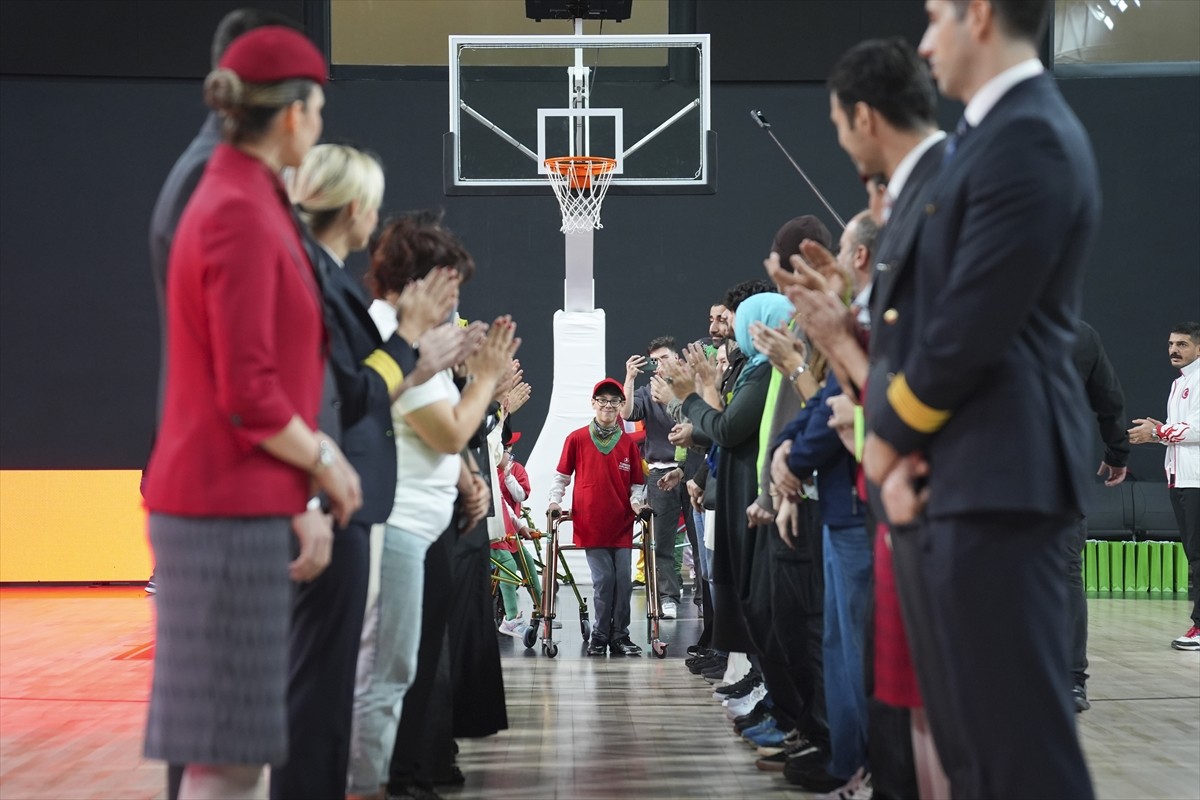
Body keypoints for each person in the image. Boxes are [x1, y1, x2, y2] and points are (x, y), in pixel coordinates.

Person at [863, 2, 1100, 796]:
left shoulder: (1027, 136)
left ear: (982, 15)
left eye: (936, 18)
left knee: (1020, 756)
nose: (925, 42)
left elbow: (966, 329)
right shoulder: (988, 137)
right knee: (974, 754)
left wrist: (883, 441)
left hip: (1003, 476)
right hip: (967, 470)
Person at [141, 26, 363, 800]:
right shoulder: (235, 203)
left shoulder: (249, 193)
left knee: (232, 754)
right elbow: (250, 391)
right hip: (219, 505)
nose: (323, 123)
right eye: (319, 107)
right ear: (294, 113)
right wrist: (326, 463)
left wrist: (299, 490)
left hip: (239, 500)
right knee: (225, 756)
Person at [272, 145, 463, 799]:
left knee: (348, 679)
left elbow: (358, 392)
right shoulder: (317, 286)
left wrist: (415, 356)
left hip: (361, 505)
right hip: (344, 504)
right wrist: (414, 349)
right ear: (355, 209)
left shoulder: (326, 284)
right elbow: (348, 397)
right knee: (348, 680)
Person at [348, 213, 516, 800]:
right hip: (400, 524)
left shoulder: (413, 340)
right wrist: (486, 381)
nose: (455, 302)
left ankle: (408, 773)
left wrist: (468, 474)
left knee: (410, 666)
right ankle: (382, 781)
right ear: (418, 282)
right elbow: (445, 430)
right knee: (390, 670)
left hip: (427, 520)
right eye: (449, 287)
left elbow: (443, 436)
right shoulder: (390, 336)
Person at [548, 378, 649, 657]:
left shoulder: (628, 444)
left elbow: (637, 485)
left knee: (624, 582)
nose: (608, 406)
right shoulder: (577, 438)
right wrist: (554, 501)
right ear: (593, 403)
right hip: (591, 522)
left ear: (621, 405)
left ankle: (620, 635)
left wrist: (637, 503)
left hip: (622, 523)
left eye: (614, 401)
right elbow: (562, 477)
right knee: (604, 580)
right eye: (602, 400)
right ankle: (600, 635)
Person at [1069, 319, 1129, 712]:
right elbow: (1109, 399)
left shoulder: (983, 322)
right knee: (1065, 573)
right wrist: (1117, 452)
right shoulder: (1082, 334)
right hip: (1063, 469)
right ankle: (1072, 682)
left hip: (994, 472)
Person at [1129, 321, 1200, 651]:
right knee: (1194, 554)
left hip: (1197, 481)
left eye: (1183, 344)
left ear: (1199, 348)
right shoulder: (1179, 384)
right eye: (1171, 344)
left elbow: (1197, 429)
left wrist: (1157, 433)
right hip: (1180, 479)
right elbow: (1182, 431)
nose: (1174, 350)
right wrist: (1159, 430)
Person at [622, 336, 696, 619]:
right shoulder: (646, 390)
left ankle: (703, 596)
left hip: (692, 467)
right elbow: (628, 412)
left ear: (677, 359)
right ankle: (668, 597)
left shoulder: (692, 388)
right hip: (660, 471)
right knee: (662, 540)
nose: (659, 364)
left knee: (698, 537)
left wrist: (674, 396)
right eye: (655, 360)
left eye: (664, 357)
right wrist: (629, 379)